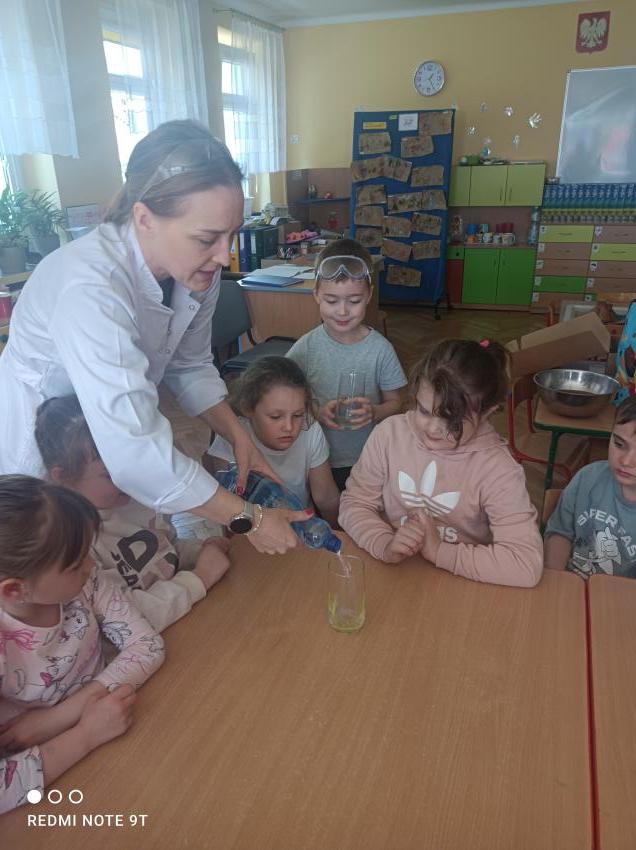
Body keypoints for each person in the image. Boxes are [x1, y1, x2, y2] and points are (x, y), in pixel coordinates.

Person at [0, 119, 308, 556]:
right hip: (45, 443)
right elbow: (135, 451)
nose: (224, 256)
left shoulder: (194, 268)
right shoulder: (90, 287)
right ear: (144, 218)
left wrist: (237, 434)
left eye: (231, 235)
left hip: (105, 438)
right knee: (54, 556)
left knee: (129, 557)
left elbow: (190, 363)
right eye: (207, 238)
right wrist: (249, 519)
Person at [0, 475, 165, 814]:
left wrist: (57, 718)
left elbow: (147, 645)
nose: (91, 565)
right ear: (15, 590)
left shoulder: (84, 583)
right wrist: (86, 735)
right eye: (76, 565)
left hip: (114, 727)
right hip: (54, 781)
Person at [339, 339, 543, 587]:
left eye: (452, 421)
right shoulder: (389, 435)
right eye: (424, 411)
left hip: (464, 583)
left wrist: (438, 552)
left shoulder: (498, 469)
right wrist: (384, 544)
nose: (433, 428)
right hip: (397, 576)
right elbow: (355, 505)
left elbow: (525, 564)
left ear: (487, 412)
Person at [35, 395, 231, 632]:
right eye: (109, 474)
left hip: (183, 616)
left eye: (129, 464)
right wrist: (200, 578)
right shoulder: (75, 546)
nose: (126, 478)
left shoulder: (133, 498)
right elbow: (125, 622)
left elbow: (165, 551)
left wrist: (200, 551)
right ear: (63, 478)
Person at [286, 238, 407, 491]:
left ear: (369, 295)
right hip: (317, 460)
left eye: (354, 301)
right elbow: (285, 396)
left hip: (368, 457)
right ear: (316, 295)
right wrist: (316, 411)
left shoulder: (381, 350)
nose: (342, 311)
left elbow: (396, 402)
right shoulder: (306, 347)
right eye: (332, 301)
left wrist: (375, 412)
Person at [205, 357, 340, 527]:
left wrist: (337, 535)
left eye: (298, 415)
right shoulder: (232, 438)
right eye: (275, 417)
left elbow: (326, 498)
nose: (289, 427)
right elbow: (228, 512)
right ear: (248, 408)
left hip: (302, 525)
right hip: (252, 529)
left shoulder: (310, 430)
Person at [544, 396, 636, 577]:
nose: (626, 461)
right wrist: (558, 580)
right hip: (571, 582)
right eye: (619, 444)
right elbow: (560, 534)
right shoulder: (588, 478)